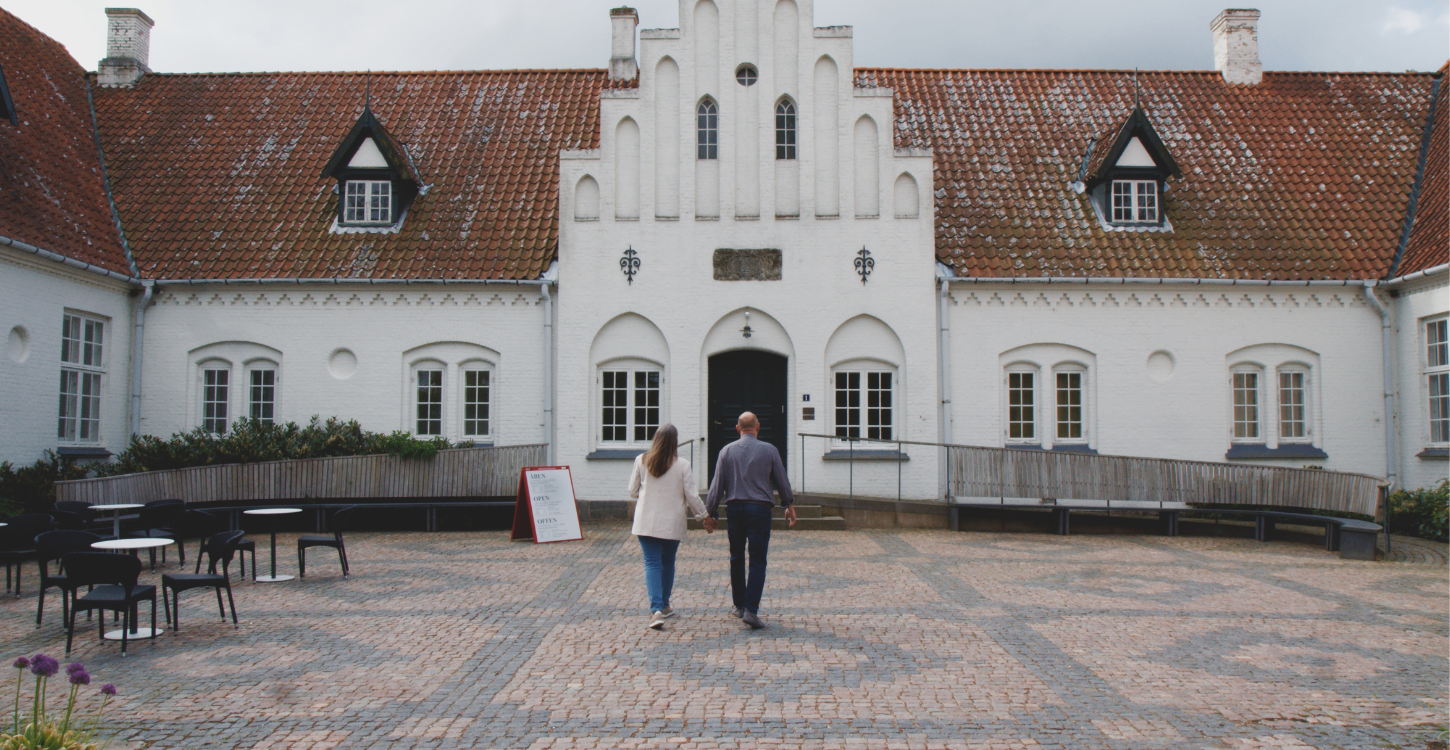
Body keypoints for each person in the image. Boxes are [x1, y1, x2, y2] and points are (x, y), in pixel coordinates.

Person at [704, 411, 795, 630]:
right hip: (760, 509)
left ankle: (739, 605)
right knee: (757, 559)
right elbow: (782, 480)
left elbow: (717, 486)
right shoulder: (770, 450)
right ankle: (751, 610)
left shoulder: (726, 451)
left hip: (735, 509)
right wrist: (789, 505)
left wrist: (711, 513)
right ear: (758, 427)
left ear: (738, 428)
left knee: (736, 556)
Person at [628, 423, 710, 630]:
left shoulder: (641, 460)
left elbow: (632, 491)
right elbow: (692, 495)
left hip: (646, 520)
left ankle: (656, 609)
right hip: (671, 521)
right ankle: (663, 605)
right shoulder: (682, 464)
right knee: (667, 563)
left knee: (652, 563)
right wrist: (704, 516)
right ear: (674, 442)